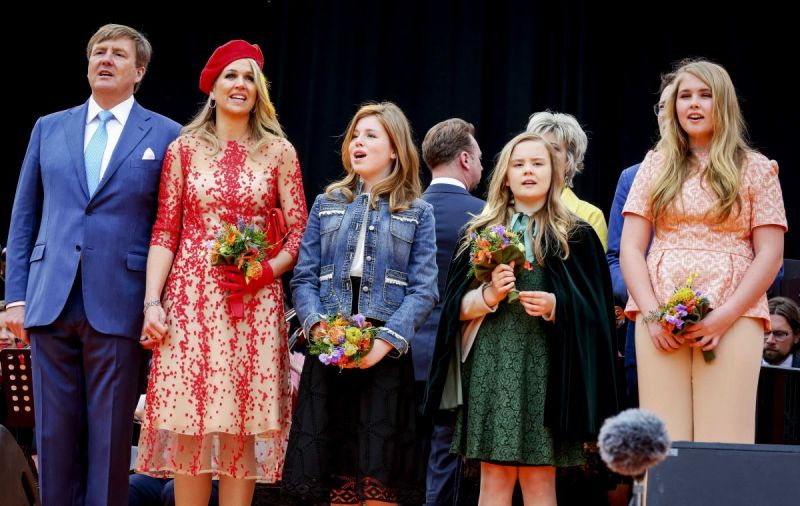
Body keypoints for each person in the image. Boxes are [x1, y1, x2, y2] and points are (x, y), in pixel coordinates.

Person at [4, 24, 181, 505]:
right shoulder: (49, 126)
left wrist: (157, 303)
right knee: (53, 441)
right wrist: (15, 297)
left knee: (108, 444)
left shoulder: (168, 135)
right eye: (98, 52)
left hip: (120, 303)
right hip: (49, 300)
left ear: (139, 71)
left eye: (118, 54)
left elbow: (171, 227)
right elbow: (25, 216)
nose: (105, 59)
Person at [134, 39, 308, 505]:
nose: (240, 85)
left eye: (250, 77)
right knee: (190, 433)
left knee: (241, 434)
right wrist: (153, 303)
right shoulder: (183, 149)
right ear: (212, 87)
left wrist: (264, 272)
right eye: (231, 75)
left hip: (254, 304)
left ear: (260, 91)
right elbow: (165, 230)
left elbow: (298, 235)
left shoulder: (279, 152)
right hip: (191, 303)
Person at [427, 131, 621, 506]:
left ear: (555, 173)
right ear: (505, 175)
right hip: (491, 366)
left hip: (547, 371)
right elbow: (453, 311)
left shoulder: (575, 236)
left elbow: (597, 313)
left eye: (538, 163)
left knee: (538, 479)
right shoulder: (479, 232)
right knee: (493, 478)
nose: (528, 171)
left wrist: (556, 305)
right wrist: (487, 295)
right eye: (519, 164)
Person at [620, 59, 786, 444]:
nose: (693, 104)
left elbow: (770, 254)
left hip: (735, 311)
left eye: (705, 95)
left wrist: (724, 316)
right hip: (660, 313)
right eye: (685, 96)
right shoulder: (655, 164)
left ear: (723, 103)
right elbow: (630, 246)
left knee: (724, 440)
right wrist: (652, 315)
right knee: (663, 443)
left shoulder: (756, 167)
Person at [283, 102, 439, 505]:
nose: (358, 142)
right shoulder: (327, 203)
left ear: (394, 150)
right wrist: (319, 331)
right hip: (327, 351)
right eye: (355, 135)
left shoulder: (417, 211)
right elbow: (303, 277)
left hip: (384, 356)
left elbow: (424, 290)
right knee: (331, 480)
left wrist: (382, 345)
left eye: (371, 136)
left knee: (379, 479)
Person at [418, 118, 485, 506]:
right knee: (445, 455)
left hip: (400, 352)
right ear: (464, 159)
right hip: (457, 354)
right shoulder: (484, 216)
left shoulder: (404, 209)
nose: (480, 166)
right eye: (477, 158)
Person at [606, 74, 674, 407]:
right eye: (663, 105)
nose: (670, 112)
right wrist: (650, 303)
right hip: (647, 326)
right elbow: (616, 258)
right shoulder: (634, 177)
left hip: (715, 324)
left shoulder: (737, 171)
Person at [526, 111, 608, 250]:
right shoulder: (505, 207)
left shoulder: (590, 216)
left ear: (569, 160)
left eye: (553, 148)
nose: (543, 153)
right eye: (538, 146)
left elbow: (595, 270)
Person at [763, 297, 800, 368]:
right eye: (765, 332)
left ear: (796, 336)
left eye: (779, 334)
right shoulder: (740, 364)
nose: (770, 340)